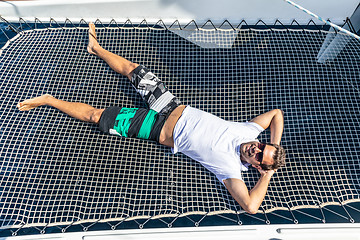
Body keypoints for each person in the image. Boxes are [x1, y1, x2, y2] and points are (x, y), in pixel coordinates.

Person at [17, 23, 285, 214]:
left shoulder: (230, 170)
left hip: (155, 127)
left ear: (256, 165)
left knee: (95, 116)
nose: (256, 148)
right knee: (134, 70)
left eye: (259, 155)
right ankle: (96, 48)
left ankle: (48, 100)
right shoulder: (247, 132)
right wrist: (273, 146)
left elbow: (251, 206)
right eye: (262, 146)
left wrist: (267, 174)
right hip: (171, 104)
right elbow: (276, 114)